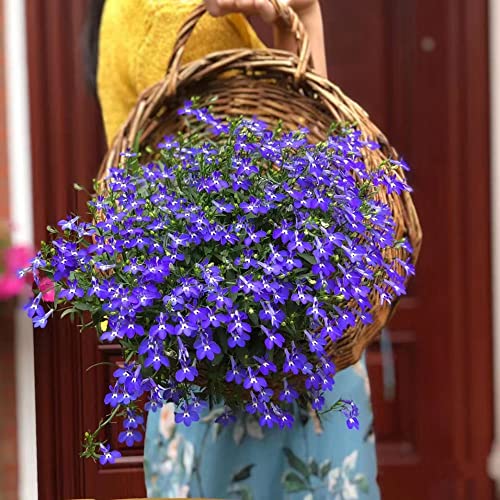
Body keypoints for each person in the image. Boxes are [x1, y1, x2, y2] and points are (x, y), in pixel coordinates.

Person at [88, 1, 380, 498]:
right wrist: (302, 18)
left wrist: (301, 15)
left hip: (213, 345)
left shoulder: (120, 13)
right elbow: (296, 154)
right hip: (259, 362)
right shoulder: (170, 11)